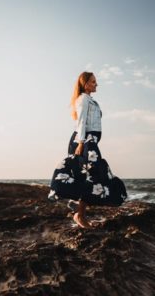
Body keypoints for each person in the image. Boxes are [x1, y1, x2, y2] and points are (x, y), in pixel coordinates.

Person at [49, 72, 127, 228]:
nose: (96, 84)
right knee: (96, 173)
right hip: (83, 141)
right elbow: (81, 121)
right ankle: (79, 212)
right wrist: (81, 143)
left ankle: (78, 210)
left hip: (89, 141)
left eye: (96, 82)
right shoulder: (83, 99)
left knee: (91, 175)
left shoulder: (90, 100)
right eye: (93, 82)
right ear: (85, 84)